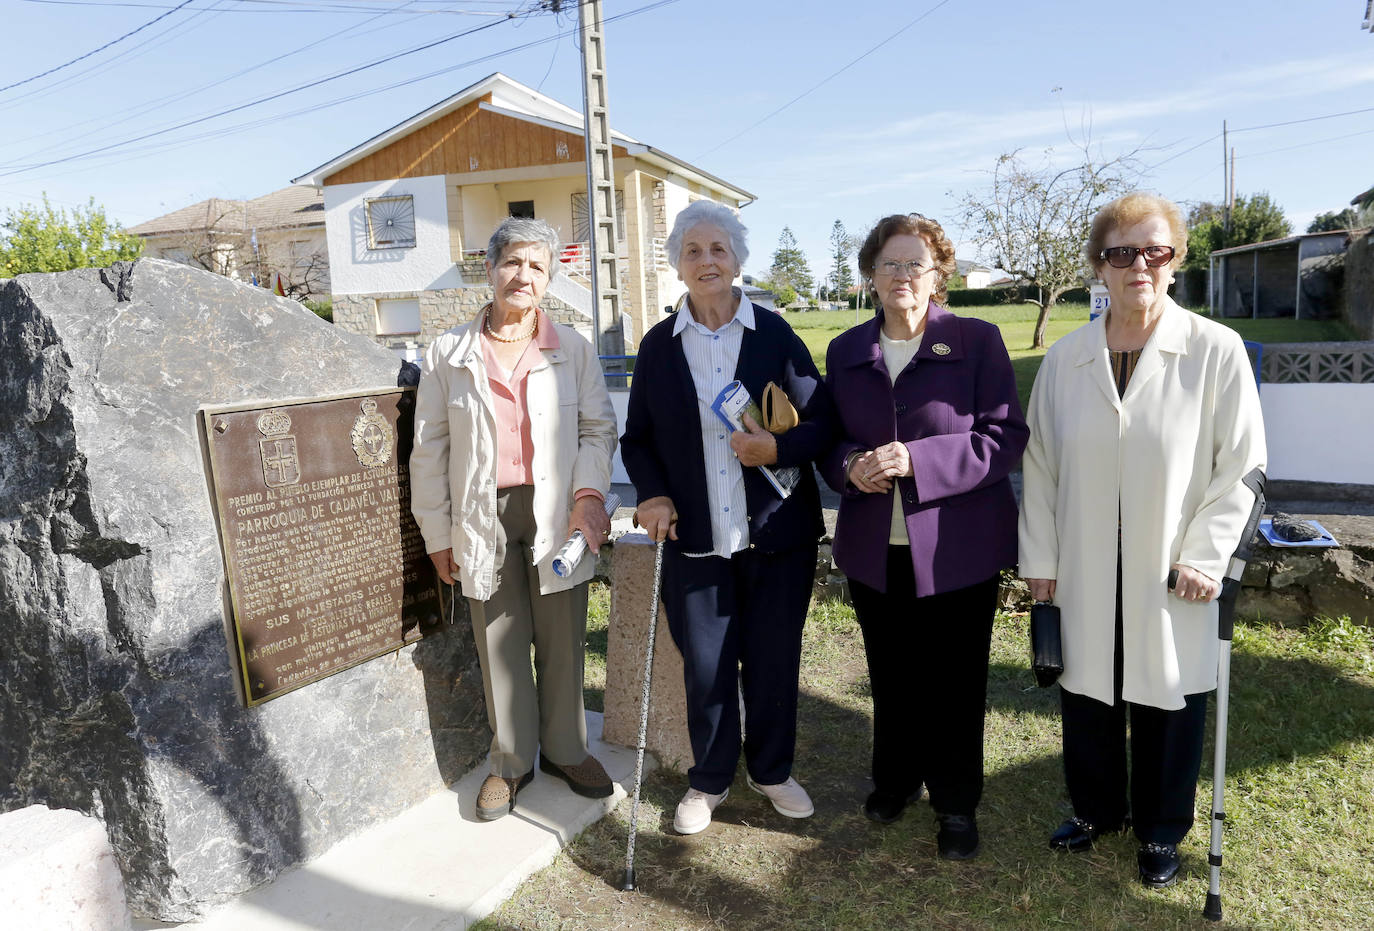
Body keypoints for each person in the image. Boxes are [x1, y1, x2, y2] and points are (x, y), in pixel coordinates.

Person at [1019, 192, 1266, 887]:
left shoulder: (1215, 351)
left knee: (1169, 697)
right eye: (1121, 252)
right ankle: (1097, 809)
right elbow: (1039, 467)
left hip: (1171, 565)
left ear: (1175, 258)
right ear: (1100, 265)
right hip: (1085, 560)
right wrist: (1041, 559)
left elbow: (1241, 464)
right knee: (1088, 693)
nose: (1139, 265)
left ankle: (1161, 830)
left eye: (1154, 250)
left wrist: (1207, 552)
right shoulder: (1066, 359)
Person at [619, 200, 835, 836]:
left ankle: (771, 771)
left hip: (775, 538)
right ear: (679, 268)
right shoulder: (658, 346)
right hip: (696, 541)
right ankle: (709, 779)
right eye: (693, 251)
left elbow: (821, 422)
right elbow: (637, 439)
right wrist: (653, 494)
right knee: (706, 668)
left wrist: (778, 447)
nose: (707, 261)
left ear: (738, 261)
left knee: (773, 661)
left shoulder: (774, 335)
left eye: (718, 250)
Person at [820, 213, 1027, 859]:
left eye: (916, 263)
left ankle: (957, 802)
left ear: (939, 275)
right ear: (871, 276)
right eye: (890, 263)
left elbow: (1003, 439)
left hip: (958, 550)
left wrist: (920, 461)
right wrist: (850, 466)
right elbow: (829, 440)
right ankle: (896, 778)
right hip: (873, 551)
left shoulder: (977, 340)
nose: (902, 275)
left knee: (955, 682)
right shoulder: (847, 350)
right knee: (892, 673)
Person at [410, 216, 619, 821]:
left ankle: (566, 750)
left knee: (562, 636)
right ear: (491, 269)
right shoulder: (449, 351)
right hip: (483, 512)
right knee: (498, 640)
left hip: (558, 508)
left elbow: (597, 430)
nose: (522, 276)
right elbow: (430, 449)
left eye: (536, 266)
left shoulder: (572, 348)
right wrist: (438, 534)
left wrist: (588, 497)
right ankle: (511, 761)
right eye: (512, 263)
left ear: (549, 278)